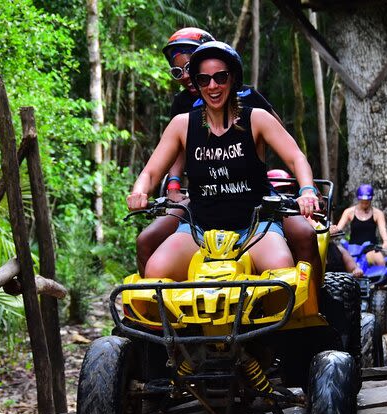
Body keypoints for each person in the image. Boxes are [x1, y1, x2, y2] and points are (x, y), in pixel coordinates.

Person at [135, 29, 322, 287]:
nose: (213, 86)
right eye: (204, 80)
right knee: (156, 269)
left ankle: (313, 308)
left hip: (255, 223)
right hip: (200, 226)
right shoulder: (182, 122)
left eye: (220, 77)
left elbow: (295, 157)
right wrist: (140, 190)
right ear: (197, 84)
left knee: (282, 272)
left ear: (232, 78)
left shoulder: (256, 116)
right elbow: (151, 172)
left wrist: (308, 190)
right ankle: (168, 327)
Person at [267, 169, 363, 278]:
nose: (284, 193)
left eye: (286, 189)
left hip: (305, 249)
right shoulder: (259, 211)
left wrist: (322, 228)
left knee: (337, 250)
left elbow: (314, 222)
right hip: (273, 246)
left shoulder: (300, 207)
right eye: (278, 190)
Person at [329, 184, 387, 267]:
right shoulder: (349, 212)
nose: (364, 204)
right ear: (358, 199)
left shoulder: (378, 213)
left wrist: (386, 241)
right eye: (362, 201)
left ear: (371, 199)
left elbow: (382, 229)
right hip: (353, 248)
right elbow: (339, 228)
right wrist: (332, 232)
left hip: (369, 249)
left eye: (367, 202)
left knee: (380, 261)